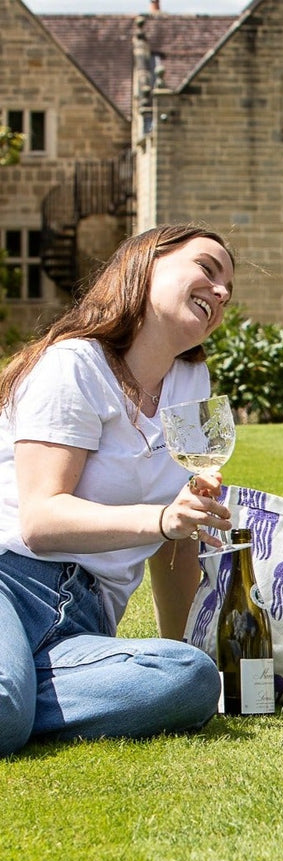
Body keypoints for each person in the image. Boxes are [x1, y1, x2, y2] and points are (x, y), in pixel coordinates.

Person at [0, 224, 236, 756]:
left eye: (228, 289)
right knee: (3, 707)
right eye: (207, 269)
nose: (220, 292)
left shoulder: (189, 385)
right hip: (11, 584)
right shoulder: (74, 365)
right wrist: (159, 519)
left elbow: (181, 536)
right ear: (146, 264)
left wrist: (182, 645)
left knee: (191, 677)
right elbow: (40, 522)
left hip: (87, 622)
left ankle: (18, 694)